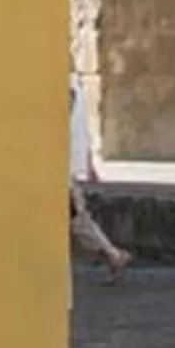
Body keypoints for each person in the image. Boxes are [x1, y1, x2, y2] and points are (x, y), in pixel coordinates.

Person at [68, 76, 131, 283]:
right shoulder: (72, 83)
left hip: (59, 168)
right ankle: (113, 255)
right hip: (62, 166)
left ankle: (113, 255)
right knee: (77, 218)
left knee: (77, 218)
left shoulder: (67, 85)